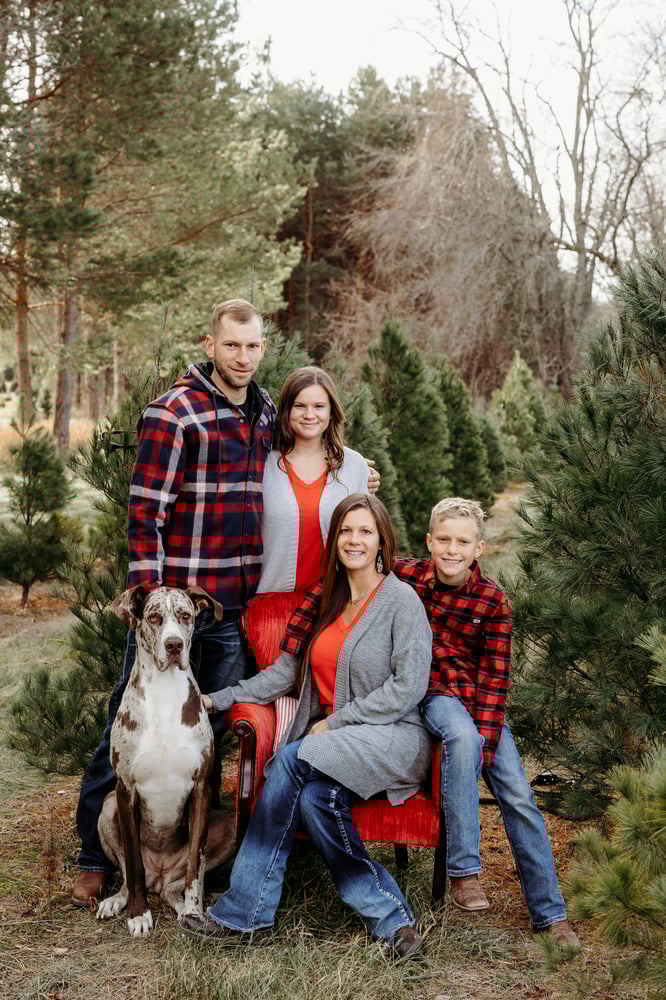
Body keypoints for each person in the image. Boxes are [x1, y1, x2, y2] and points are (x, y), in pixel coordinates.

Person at [71, 305, 379, 907]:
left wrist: (360, 475)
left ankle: (189, 860)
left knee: (206, 733)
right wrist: (150, 610)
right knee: (129, 727)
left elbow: (309, 445)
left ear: (263, 349)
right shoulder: (173, 412)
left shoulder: (262, 409)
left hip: (234, 611)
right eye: (232, 346)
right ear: (211, 344)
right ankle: (94, 856)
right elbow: (144, 515)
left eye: (253, 346)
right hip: (175, 615)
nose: (243, 357)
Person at [179, 494, 432, 960]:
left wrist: (334, 722)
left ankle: (245, 912)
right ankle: (393, 920)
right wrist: (216, 698)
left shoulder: (401, 601)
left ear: (382, 541)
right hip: (339, 741)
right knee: (318, 800)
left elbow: (408, 688)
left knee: (291, 759)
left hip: (394, 738)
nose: (354, 540)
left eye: (365, 531)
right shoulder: (327, 601)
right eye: (346, 531)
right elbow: (282, 675)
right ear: (334, 539)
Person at [393, 497, 581, 949]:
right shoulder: (407, 577)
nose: (451, 550)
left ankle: (550, 914)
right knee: (458, 733)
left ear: (480, 548)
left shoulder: (494, 601)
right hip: (431, 696)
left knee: (518, 794)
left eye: (462, 542)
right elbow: (361, 545)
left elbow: (496, 681)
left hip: (481, 705)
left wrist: (486, 747)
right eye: (443, 540)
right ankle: (465, 871)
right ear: (428, 541)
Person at [257, 365, 370, 596]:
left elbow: (368, 534)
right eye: (300, 406)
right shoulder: (263, 464)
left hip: (336, 603)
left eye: (319, 406)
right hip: (270, 602)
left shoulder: (354, 466)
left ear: (331, 412)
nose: (310, 415)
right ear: (287, 410)